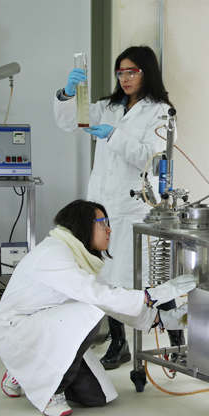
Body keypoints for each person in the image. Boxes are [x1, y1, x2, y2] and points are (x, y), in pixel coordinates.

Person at [0, 200, 197, 416]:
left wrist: (163, 318)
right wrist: (151, 295)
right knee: (91, 310)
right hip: (16, 329)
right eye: (102, 223)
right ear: (81, 227)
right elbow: (97, 296)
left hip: (45, 328)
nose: (109, 230)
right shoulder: (54, 253)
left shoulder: (77, 254)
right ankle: (50, 391)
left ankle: (22, 371)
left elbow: (110, 299)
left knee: (95, 397)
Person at [54, 45, 181, 370]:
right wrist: (68, 93)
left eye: (132, 72)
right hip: (103, 205)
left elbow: (152, 158)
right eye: (120, 72)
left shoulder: (161, 112)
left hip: (135, 207)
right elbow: (70, 123)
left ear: (146, 73)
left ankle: (178, 340)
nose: (125, 78)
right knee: (105, 274)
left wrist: (114, 136)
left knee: (144, 276)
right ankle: (119, 341)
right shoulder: (108, 107)